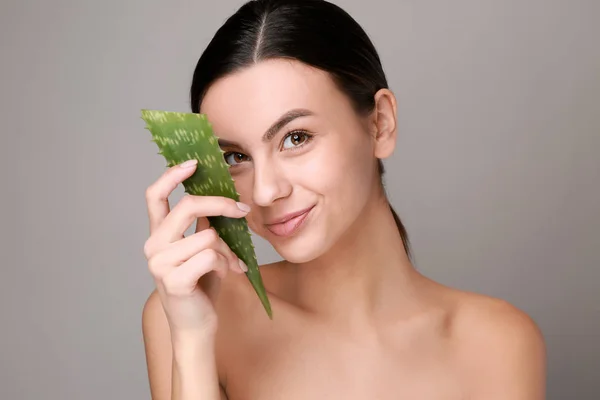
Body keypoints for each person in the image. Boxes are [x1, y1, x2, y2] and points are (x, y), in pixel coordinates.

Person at [141, 0, 546, 398]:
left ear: (380, 124)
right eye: (235, 157)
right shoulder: (189, 313)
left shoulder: (496, 342)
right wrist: (192, 340)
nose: (265, 191)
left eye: (295, 138)